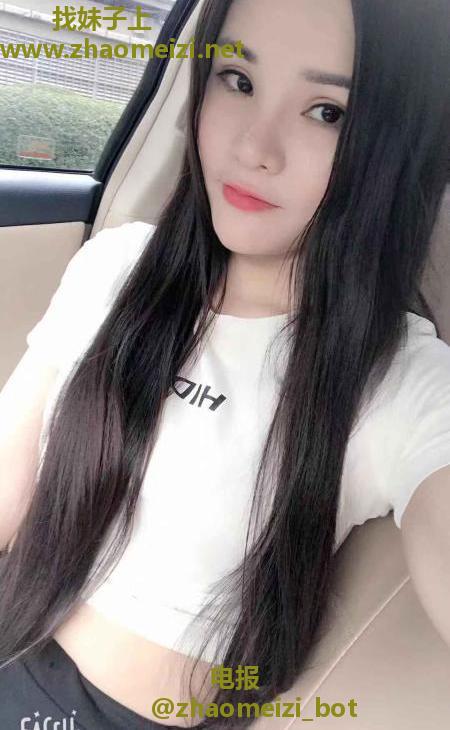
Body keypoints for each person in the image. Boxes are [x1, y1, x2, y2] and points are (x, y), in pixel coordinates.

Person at [0, 0, 449, 728]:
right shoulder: (115, 268)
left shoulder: (401, 378)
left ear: (395, 147)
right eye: (238, 80)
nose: (254, 148)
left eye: (327, 112)